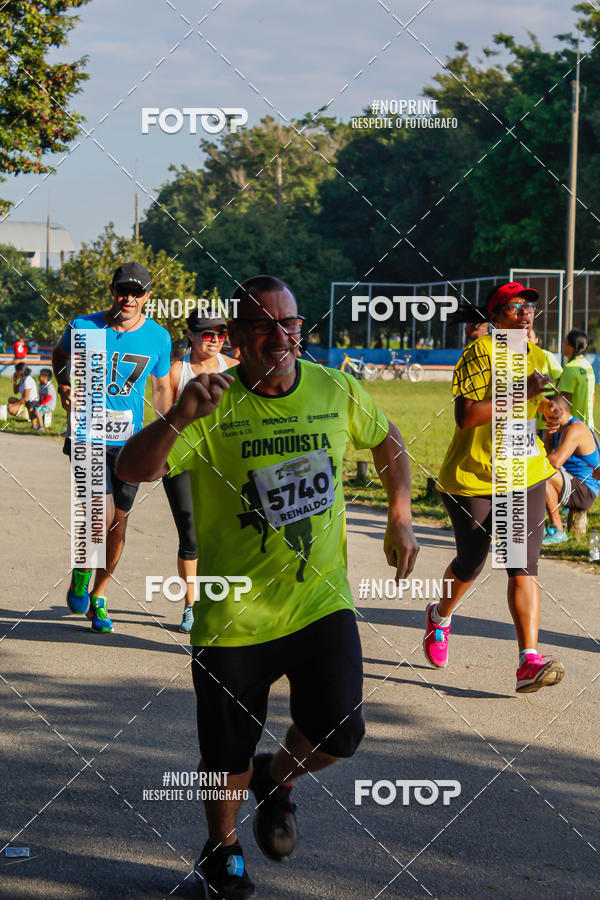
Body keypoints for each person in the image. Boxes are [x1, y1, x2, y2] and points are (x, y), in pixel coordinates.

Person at [117, 274, 419, 900]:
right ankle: (221, 849)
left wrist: (400, 513)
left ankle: (276, 777)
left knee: (342, 732)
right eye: (263, 325)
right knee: (223, 759)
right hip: (233, 615)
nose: (280, 337)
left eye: (290, 324)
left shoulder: (334, 387)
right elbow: (132, 468)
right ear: (239, 336)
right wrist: (179, 414)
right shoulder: (211, 401)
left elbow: (389, 440)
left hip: (318, 601)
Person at [430, 281, 565, 694]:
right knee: (472, 561)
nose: (525, 313)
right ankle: (439, 617)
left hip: (523, 473)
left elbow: (547, 403)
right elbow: (466, 416)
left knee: (521, 564)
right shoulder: (480, 352)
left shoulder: (538, 355)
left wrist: (554, 412)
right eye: (513, 307)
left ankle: (528, 661)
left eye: (528, 307)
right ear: (495, 317)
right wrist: (522, 392)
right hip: (474, 476)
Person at [52, 261, 172, 633]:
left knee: (118, 527)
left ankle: (98, 597)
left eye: (137, 292)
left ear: (148, 297)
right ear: (112, 290)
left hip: (130, 444)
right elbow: (60, 356)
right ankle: (80, 572)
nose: (129, 298)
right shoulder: (84, 326)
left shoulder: (157, 337)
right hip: (87, 435)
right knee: (97, 517)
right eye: (123, 290)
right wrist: (63, 387)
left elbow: (164, 388)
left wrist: (165, 437)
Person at [163, 310, 238, 633]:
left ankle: (223, 600)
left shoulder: (235, 368)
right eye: (208, 334)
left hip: (224, 461)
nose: (216, 339)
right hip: (182, 461)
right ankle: (191, 606)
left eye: (221, 333)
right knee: (191, 533)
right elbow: (162, 421)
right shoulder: (175, 372)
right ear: (191, 335)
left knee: (226, 533)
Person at [541, 393, 600, 545]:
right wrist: (548, 435)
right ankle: (539, 525)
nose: (542, 419)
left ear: (559, 410)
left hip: (585, 490)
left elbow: (554, 462)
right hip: (569, 483)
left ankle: (558, 530)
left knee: (543, 474)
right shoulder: (558, 429)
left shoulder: (575, 428)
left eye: (546, 414)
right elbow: (545, 455)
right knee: (539, 473)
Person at [558, 329, 595, 430]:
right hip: (589, 425)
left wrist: (560, 429)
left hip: (574, 428)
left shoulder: (570, 368)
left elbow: (564, 402)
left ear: (571, 346)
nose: (563, 344)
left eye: (565, 342)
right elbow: (593, 397)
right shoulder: (588, 366)